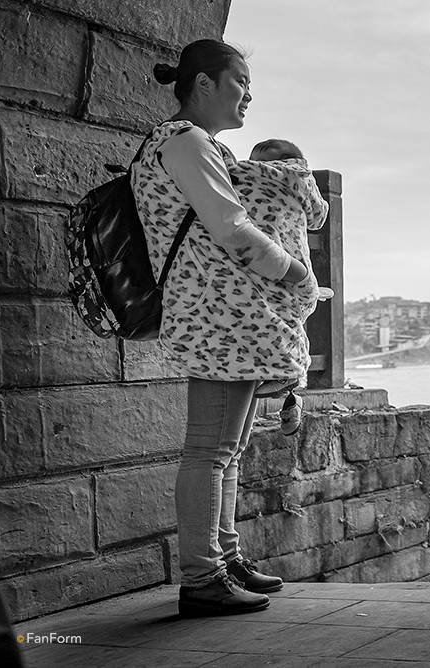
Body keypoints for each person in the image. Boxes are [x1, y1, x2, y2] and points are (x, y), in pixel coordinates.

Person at [132, 39, 311, 616]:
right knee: (209, 450)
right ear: (203, 83)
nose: (248, 95)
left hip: (222, 318)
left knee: (225, 452)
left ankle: (224, 559)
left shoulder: (190, 143)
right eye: (239, 82)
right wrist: (291, 272)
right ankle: (202, 576)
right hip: (215, 316)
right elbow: (231, 227)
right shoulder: (185, 142)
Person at [231, 138, 332, 436]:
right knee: (293, 321)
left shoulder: (240, 175)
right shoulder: (302, 180)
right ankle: (291, 377)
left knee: (267, 318)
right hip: (290, 265)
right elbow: (318, 217)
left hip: (256, 264)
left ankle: (285, 380)